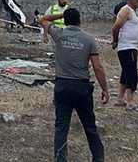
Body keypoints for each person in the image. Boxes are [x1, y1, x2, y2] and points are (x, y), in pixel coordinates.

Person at [39, 8, 108, 162]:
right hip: (82, 87)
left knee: (61, 127)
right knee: (89, 126)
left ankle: (60, 158)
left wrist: (63, 14)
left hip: (62, 85)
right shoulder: (89, 39)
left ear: (65, 21)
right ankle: (98, 158)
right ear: (79, 21)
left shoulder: (59, 34)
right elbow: (97, 67)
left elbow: (42, 19)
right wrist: (105, 89)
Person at [111, 0, 138, 110]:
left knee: (125, 72)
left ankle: (120, 98)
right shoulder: (126, 10)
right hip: (126, 47)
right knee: (131, 73)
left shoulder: (135, 11)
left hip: (133, 46)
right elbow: (116, 27)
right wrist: (115, 41)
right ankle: (130, 101)